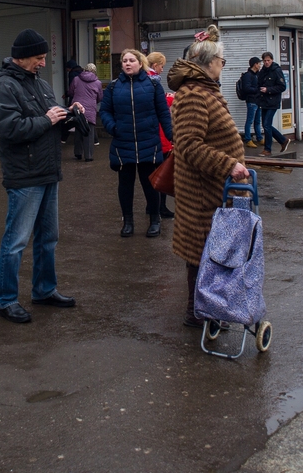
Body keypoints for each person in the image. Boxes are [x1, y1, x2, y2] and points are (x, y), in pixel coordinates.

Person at [0, 29, 82, 324]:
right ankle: (5, 301)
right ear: (22, 57)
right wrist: (47, 119)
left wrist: (68, 116)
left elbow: (50, 123)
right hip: (25, 174)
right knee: (16, 240)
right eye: (39, 58)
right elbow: (9, 129)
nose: (42, 63)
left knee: (48, 238)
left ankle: (44, 290)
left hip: (48, 170)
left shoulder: (40, 84)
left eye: (43, 58)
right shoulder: (4, 86)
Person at [167, 26, 248, 327]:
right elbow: (189, 145)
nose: (223, 66)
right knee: (201, 250)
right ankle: (198, 312)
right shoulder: (194, 94)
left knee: (209, 250)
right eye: (222, 61)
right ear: (208, 62)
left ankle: (204, 309)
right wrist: (228, 164)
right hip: (203, 190)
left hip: (214, 187)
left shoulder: (205, 90)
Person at [101, 49, 174, 238]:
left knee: (150, 185)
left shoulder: (153, 85)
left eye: (131, 60)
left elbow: (163, 113)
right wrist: (112, 127)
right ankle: (128, 222)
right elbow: (105, 111)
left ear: (140, 63)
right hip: (123, 144)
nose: (127, 63)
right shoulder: (113, 87)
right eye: (124, 60)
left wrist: (172, 136)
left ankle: (155, 220)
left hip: (148, 143)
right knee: (125, 185)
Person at [147, 52, 177, 220]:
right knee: (162, 170)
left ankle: (153, 205)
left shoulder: (146, 78)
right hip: (160, 131)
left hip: (155, 130)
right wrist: (172, 98)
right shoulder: (153, 80)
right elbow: (159, 102)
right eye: (162, 66)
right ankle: (160, 207)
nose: (162, 69)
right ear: (155, 65)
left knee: (154, 170)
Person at [256, 52, 291, 156]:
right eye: (265, 61)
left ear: (272, 60)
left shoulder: (276, 70)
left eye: (268, 60)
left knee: (266, 124)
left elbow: (282, 86)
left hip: (273, 101)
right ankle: (283, 140)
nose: (266, 62)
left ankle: (268, 149)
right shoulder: (262, 71)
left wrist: (268, 90)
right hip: (264, 101)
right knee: (266, 125)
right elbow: (259, 84)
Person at [68, 62, 103, 162]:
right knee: (89, 131)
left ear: (84, 69)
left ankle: (78, 153)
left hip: (77, 107)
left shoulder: (76, 79)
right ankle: (88, 156)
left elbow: (70, 92)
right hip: (90, 109)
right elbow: (100, 97)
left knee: (78, 129)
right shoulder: (98, 83)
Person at [237, 57, 264, 148]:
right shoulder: (248, 75)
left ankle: (259, 138)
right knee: (250, 121)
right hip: (252, 101)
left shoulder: (258, 74)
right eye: (259, 64)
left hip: (258, 101)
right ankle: (248, 139)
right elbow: (246, 88)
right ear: (255, 64)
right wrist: (257, 90)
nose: (260, 65)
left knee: (257, 121)